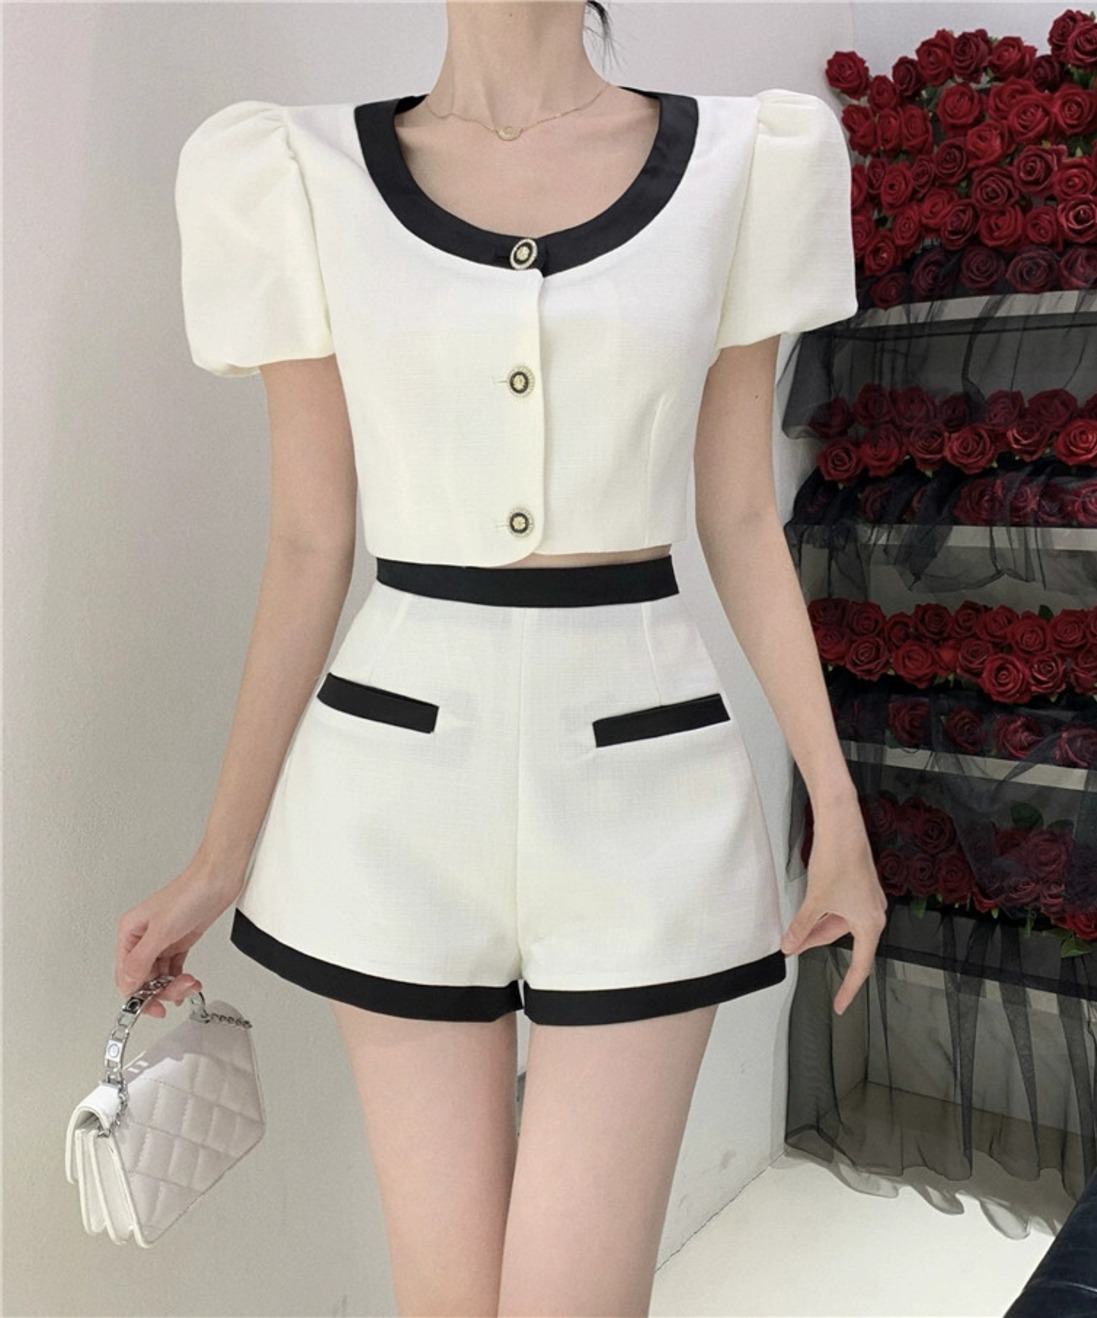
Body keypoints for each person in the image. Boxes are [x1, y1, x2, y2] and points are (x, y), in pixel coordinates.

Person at [114, 2, 886, 1313]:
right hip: (392, 803)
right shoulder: (297, 172)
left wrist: (840, 815)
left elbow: (741, 514)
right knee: (446, 1296)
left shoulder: (743, 160)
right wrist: (220, 854)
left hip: (648, 796)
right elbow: (309, 537)